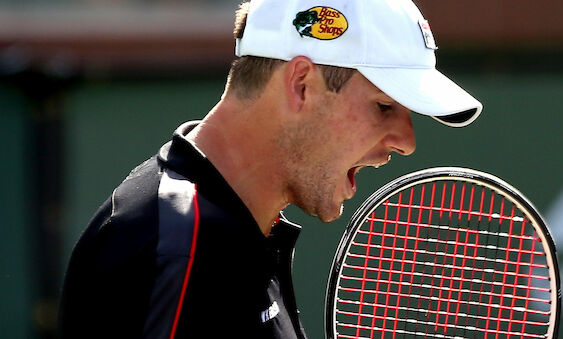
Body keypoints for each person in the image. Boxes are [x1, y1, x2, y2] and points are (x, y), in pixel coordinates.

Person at [58, 0, 482, 338]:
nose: (406, 142)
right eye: (384, 107)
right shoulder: (176, 247)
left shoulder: (228, 230)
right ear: (302, 84)